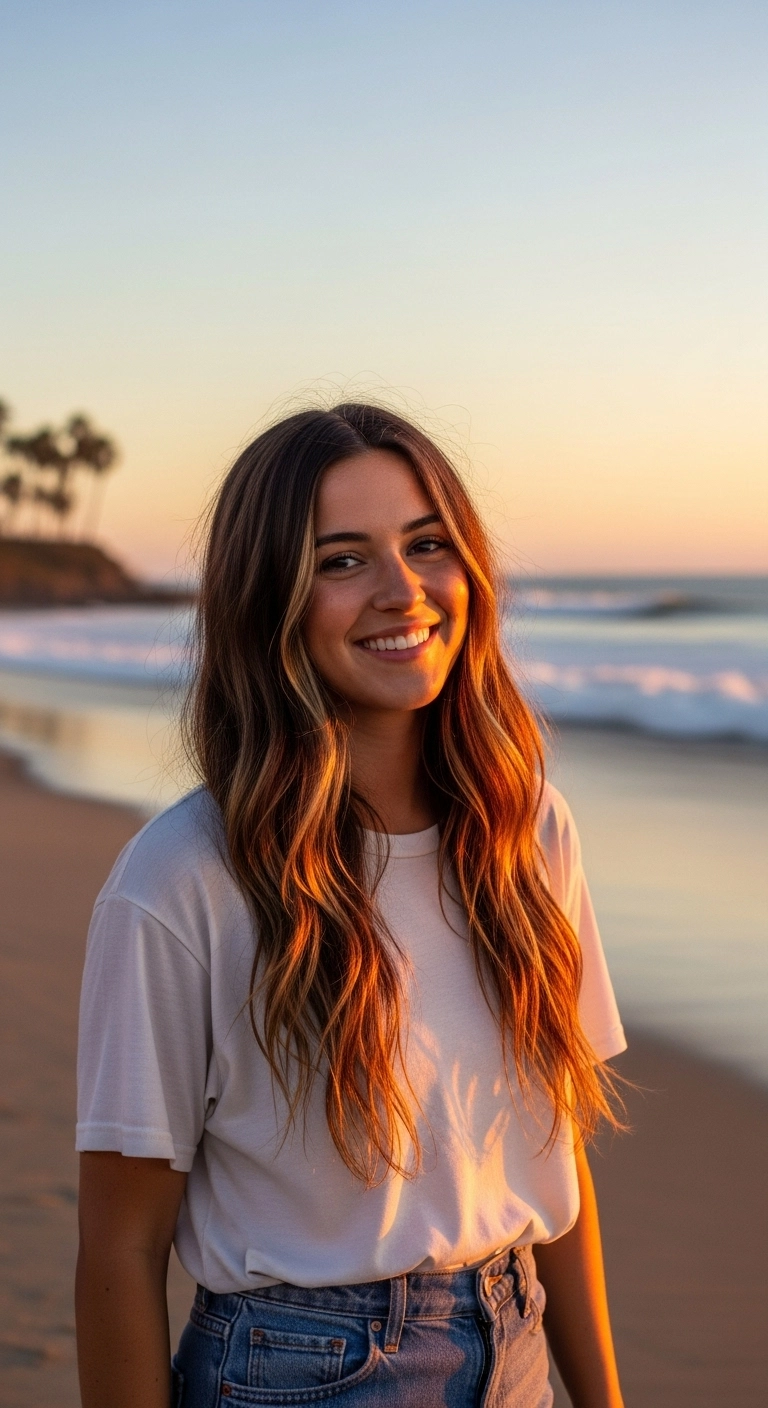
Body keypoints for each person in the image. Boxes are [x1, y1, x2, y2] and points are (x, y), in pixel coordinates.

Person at [75, 403, 627, 1408]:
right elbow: (120, 1242)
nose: (402, 590)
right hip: (300, 1371)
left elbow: (558, 1167)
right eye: (341, 560)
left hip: (518, 1349)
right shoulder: (181, 882)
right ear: (267, 598)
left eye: (426, 544)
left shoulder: (527, 834)